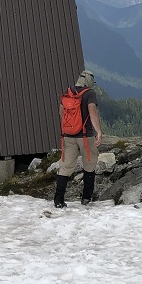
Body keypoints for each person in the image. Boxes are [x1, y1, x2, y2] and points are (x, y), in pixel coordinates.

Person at [54, 69, 103, 208]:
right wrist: (98, 131)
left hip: (68, 136)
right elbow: (92, 112)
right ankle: (86, 198)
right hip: (85, 137)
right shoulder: (90, 93)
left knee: (65, 166)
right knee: (89, 165)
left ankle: (59, 200)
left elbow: (61, 112)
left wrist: (70, 127)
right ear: (89, 81)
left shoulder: (68, 91)